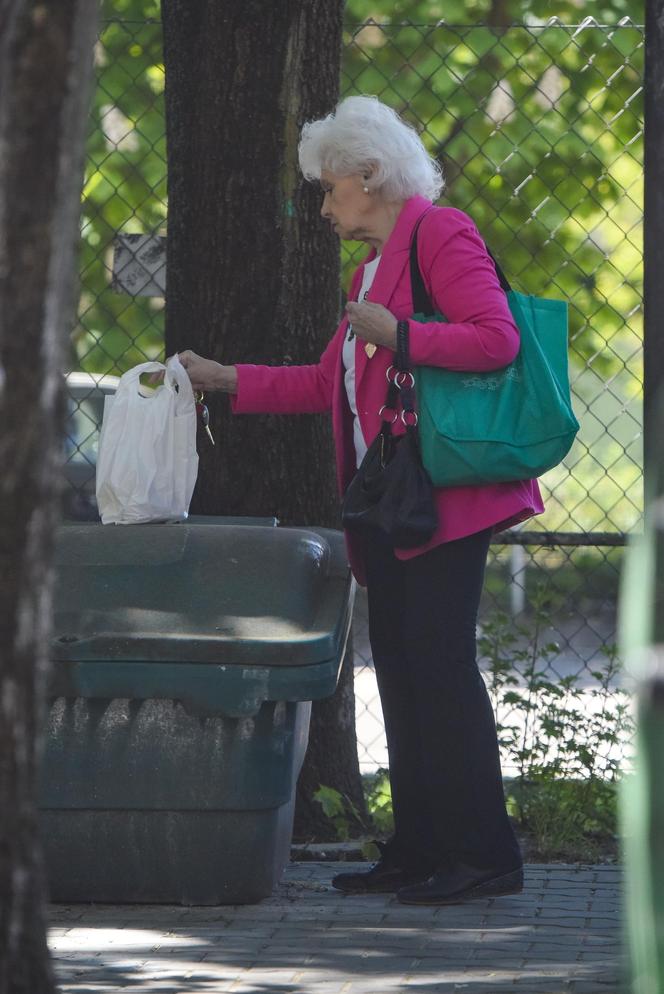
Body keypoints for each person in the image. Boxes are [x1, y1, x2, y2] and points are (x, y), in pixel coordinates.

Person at [176, 95, 544, 906]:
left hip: (449, 490)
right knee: (407, 673)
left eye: (330, 187)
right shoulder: (370, 270)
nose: (324, 204)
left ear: (370, 177)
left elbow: (498, 339)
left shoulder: (440, 234)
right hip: (395, 496)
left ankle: (485, 855)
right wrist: (224, 379)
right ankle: (417, 849)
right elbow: (322, 382)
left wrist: (399, 333)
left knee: (439, 669)